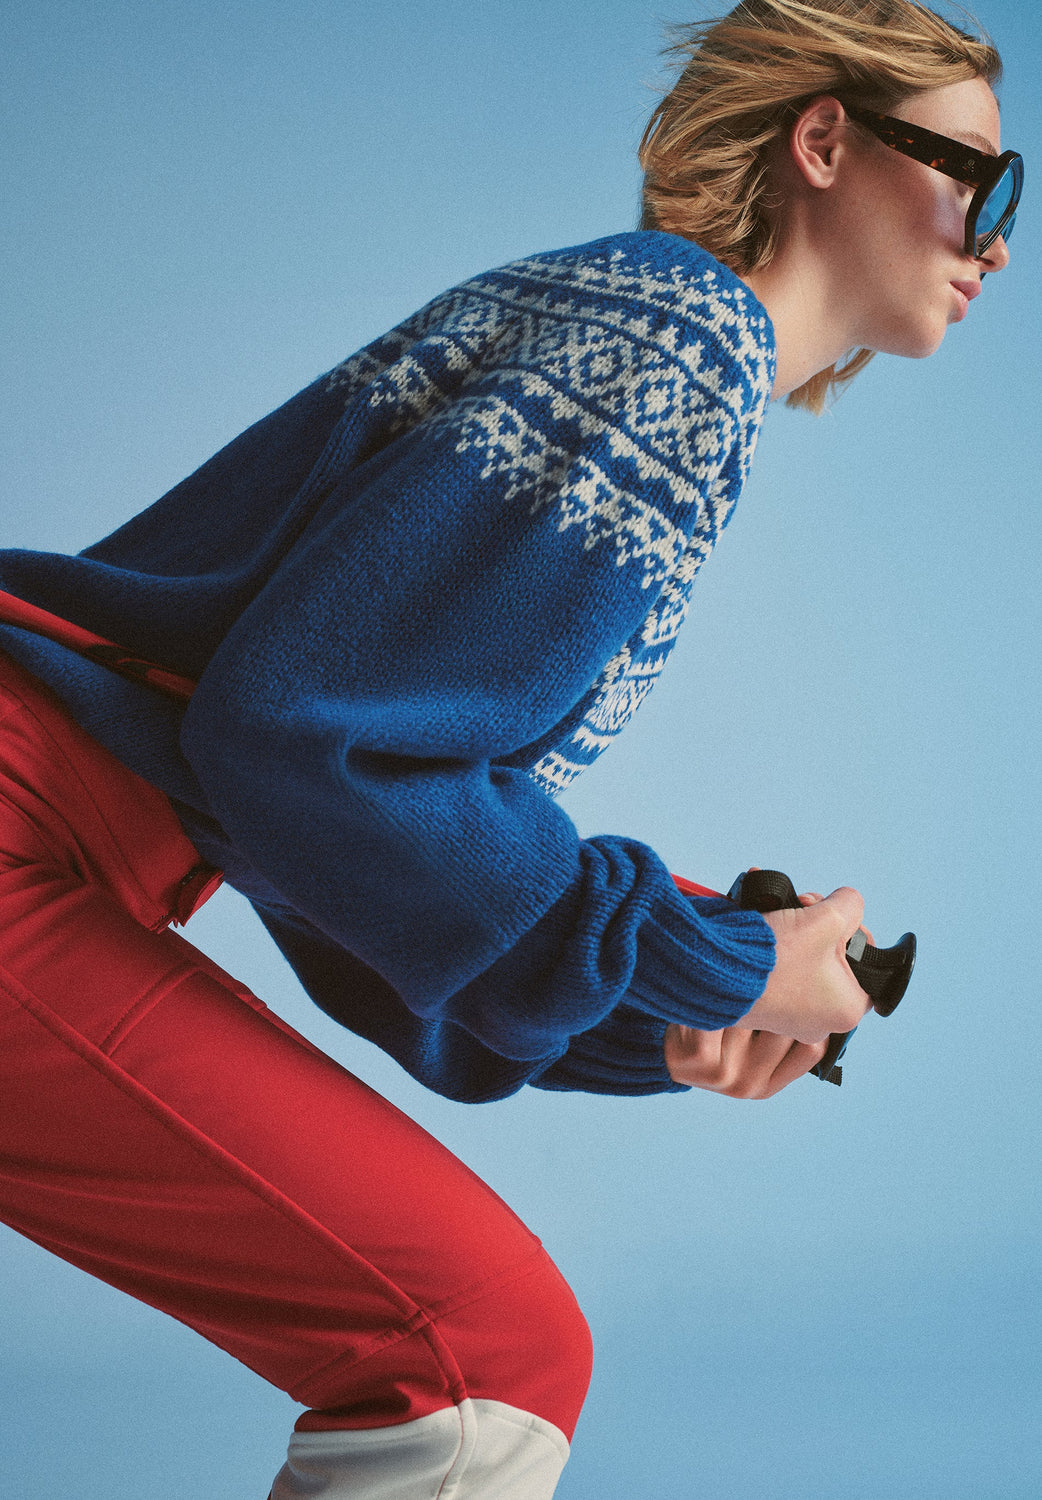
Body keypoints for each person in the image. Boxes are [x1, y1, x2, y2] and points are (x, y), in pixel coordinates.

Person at [0, 1, 1019, 1494]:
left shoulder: (639, 325)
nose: (996, 242)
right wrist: (727, 965)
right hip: (26, 827)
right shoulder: (681, 344)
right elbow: (315, 755)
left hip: (65, 843)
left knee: (479, 1354)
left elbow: (326, 827)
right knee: (475, 1355)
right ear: (824, 142)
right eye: (978, 179)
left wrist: (661, 1008)